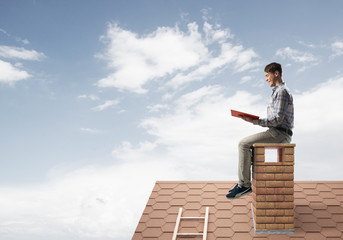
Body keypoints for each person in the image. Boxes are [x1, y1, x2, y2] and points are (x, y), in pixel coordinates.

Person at [226, 62, 294, 199]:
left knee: (243, 144)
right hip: (276, 132)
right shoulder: (277, 92)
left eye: (267, 75)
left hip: (279, 133)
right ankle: (245, 183)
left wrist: (254, 121)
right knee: (249, 145)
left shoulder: (281, 92)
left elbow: (277, 120)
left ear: (276, 74)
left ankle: (244, 185)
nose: (266, 79)